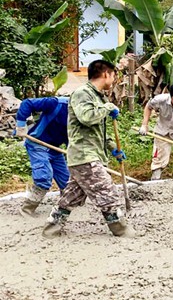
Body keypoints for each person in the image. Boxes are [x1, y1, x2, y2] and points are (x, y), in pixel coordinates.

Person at [42, 59, 135, 238]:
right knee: (106, 189)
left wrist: (113, 147)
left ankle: (51, 228)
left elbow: (99, 128)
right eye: (114, 75)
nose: (114, 79)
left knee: (72, 196)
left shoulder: (98, 96)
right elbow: (86, 117)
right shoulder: (82, 93)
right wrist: (107, 107)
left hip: (89, 154)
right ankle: (120, 229)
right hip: (84, 154)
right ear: (106, 74)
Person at [14, 96, 69, 216]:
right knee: (43, 177)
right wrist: (21, 125)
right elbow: (27, 103)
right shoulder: (56, 103)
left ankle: (66, 207)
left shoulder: (84, 117)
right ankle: (27, 209)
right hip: (37, 143)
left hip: (55, 148)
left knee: (67, 183)